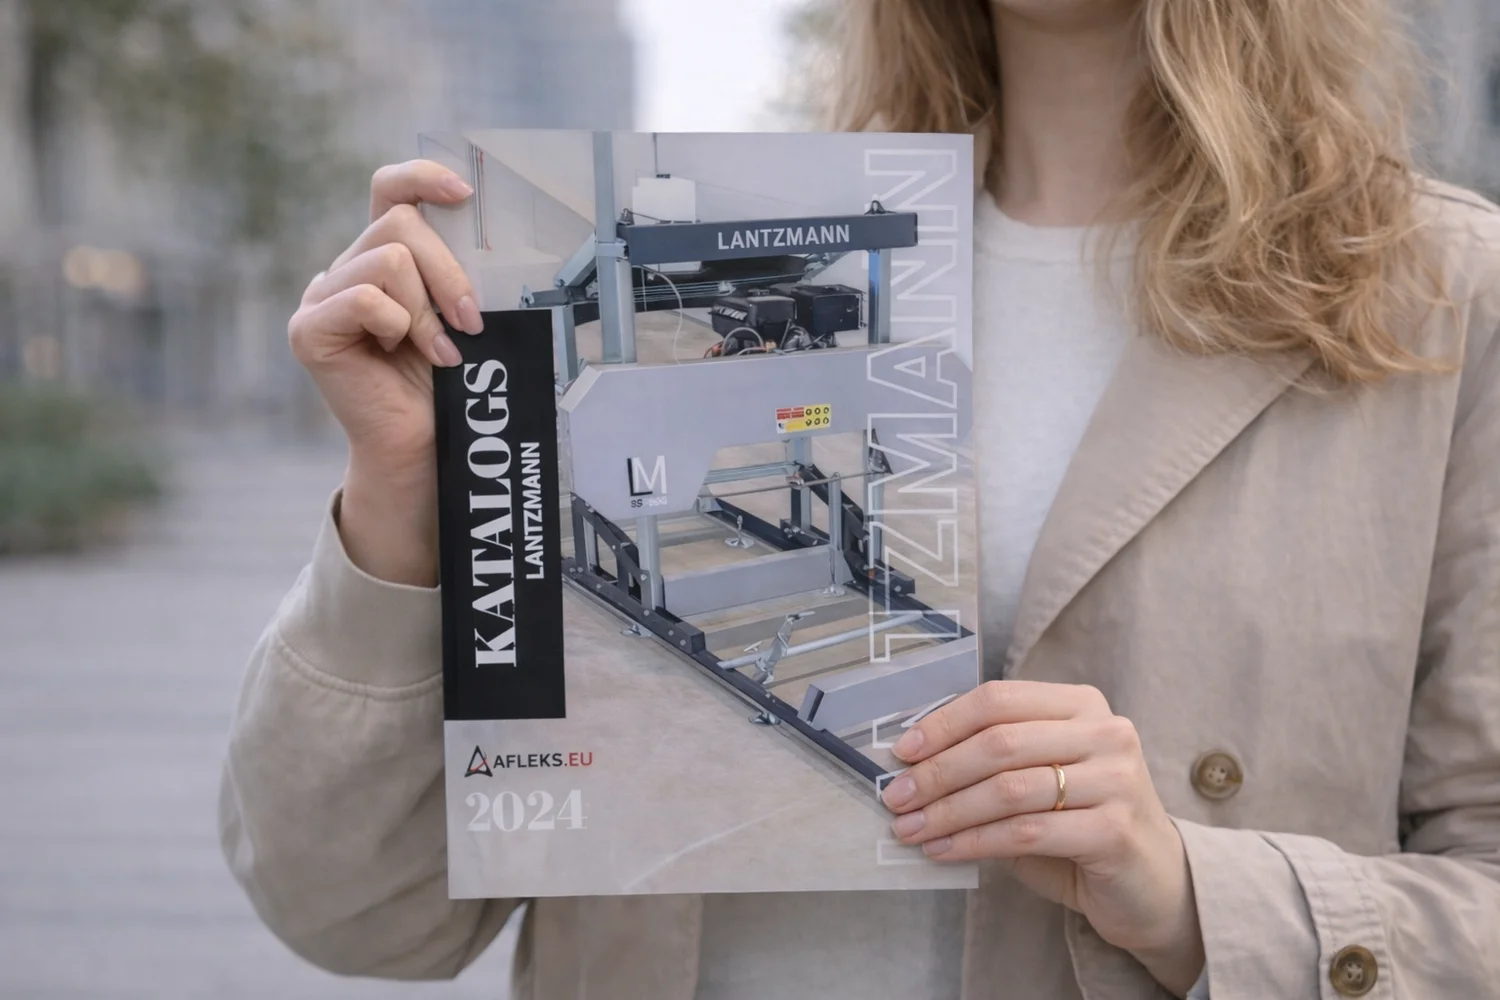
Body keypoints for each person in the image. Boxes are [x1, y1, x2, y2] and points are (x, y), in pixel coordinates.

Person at [219, 0, 1500, 997]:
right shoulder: (756, 235)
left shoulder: (1441, 296)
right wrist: (408, 507)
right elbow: (357, 913)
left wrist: (1189, 895)